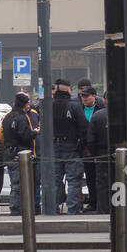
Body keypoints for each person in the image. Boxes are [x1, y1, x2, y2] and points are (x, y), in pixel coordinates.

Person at [48, 78, 86, 215]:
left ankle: (53, 209)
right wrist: (81, 146)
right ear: (68, 89)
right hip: (71, 146)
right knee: (74, 181)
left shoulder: (47, 106)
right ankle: (73, 210)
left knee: (55, 181)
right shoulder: (74, 106)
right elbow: (83, 128)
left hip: (53, 147)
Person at [3, 92, 41, 215]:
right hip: (19, 153)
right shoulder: (21, 117)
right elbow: (25, 136)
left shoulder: (7, 116)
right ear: (24, 104)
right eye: (28, 102)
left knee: (15, 183)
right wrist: (35, 132)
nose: (29, 105)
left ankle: (16, 208)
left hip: (9, 152)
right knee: (18, 184)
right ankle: (16, 209)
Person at [85, 97, 112, 215]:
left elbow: (90, 139)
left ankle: (103, 210)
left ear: (105, 101)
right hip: (122, 154)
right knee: (122, 181)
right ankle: (120, 208)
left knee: (102, 184)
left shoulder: (97, 116)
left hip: (102, 154)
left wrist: (94, 154)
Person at [78, 87, 102, 210]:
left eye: (87, 96)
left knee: (100, 177)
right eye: (83, 96)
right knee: (89, 177)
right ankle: (92, 201)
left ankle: (100, 201)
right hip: (84, 148)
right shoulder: (79, 109)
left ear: (94, 96)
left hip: (98, 149)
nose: (84, 99)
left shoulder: (100, 109)